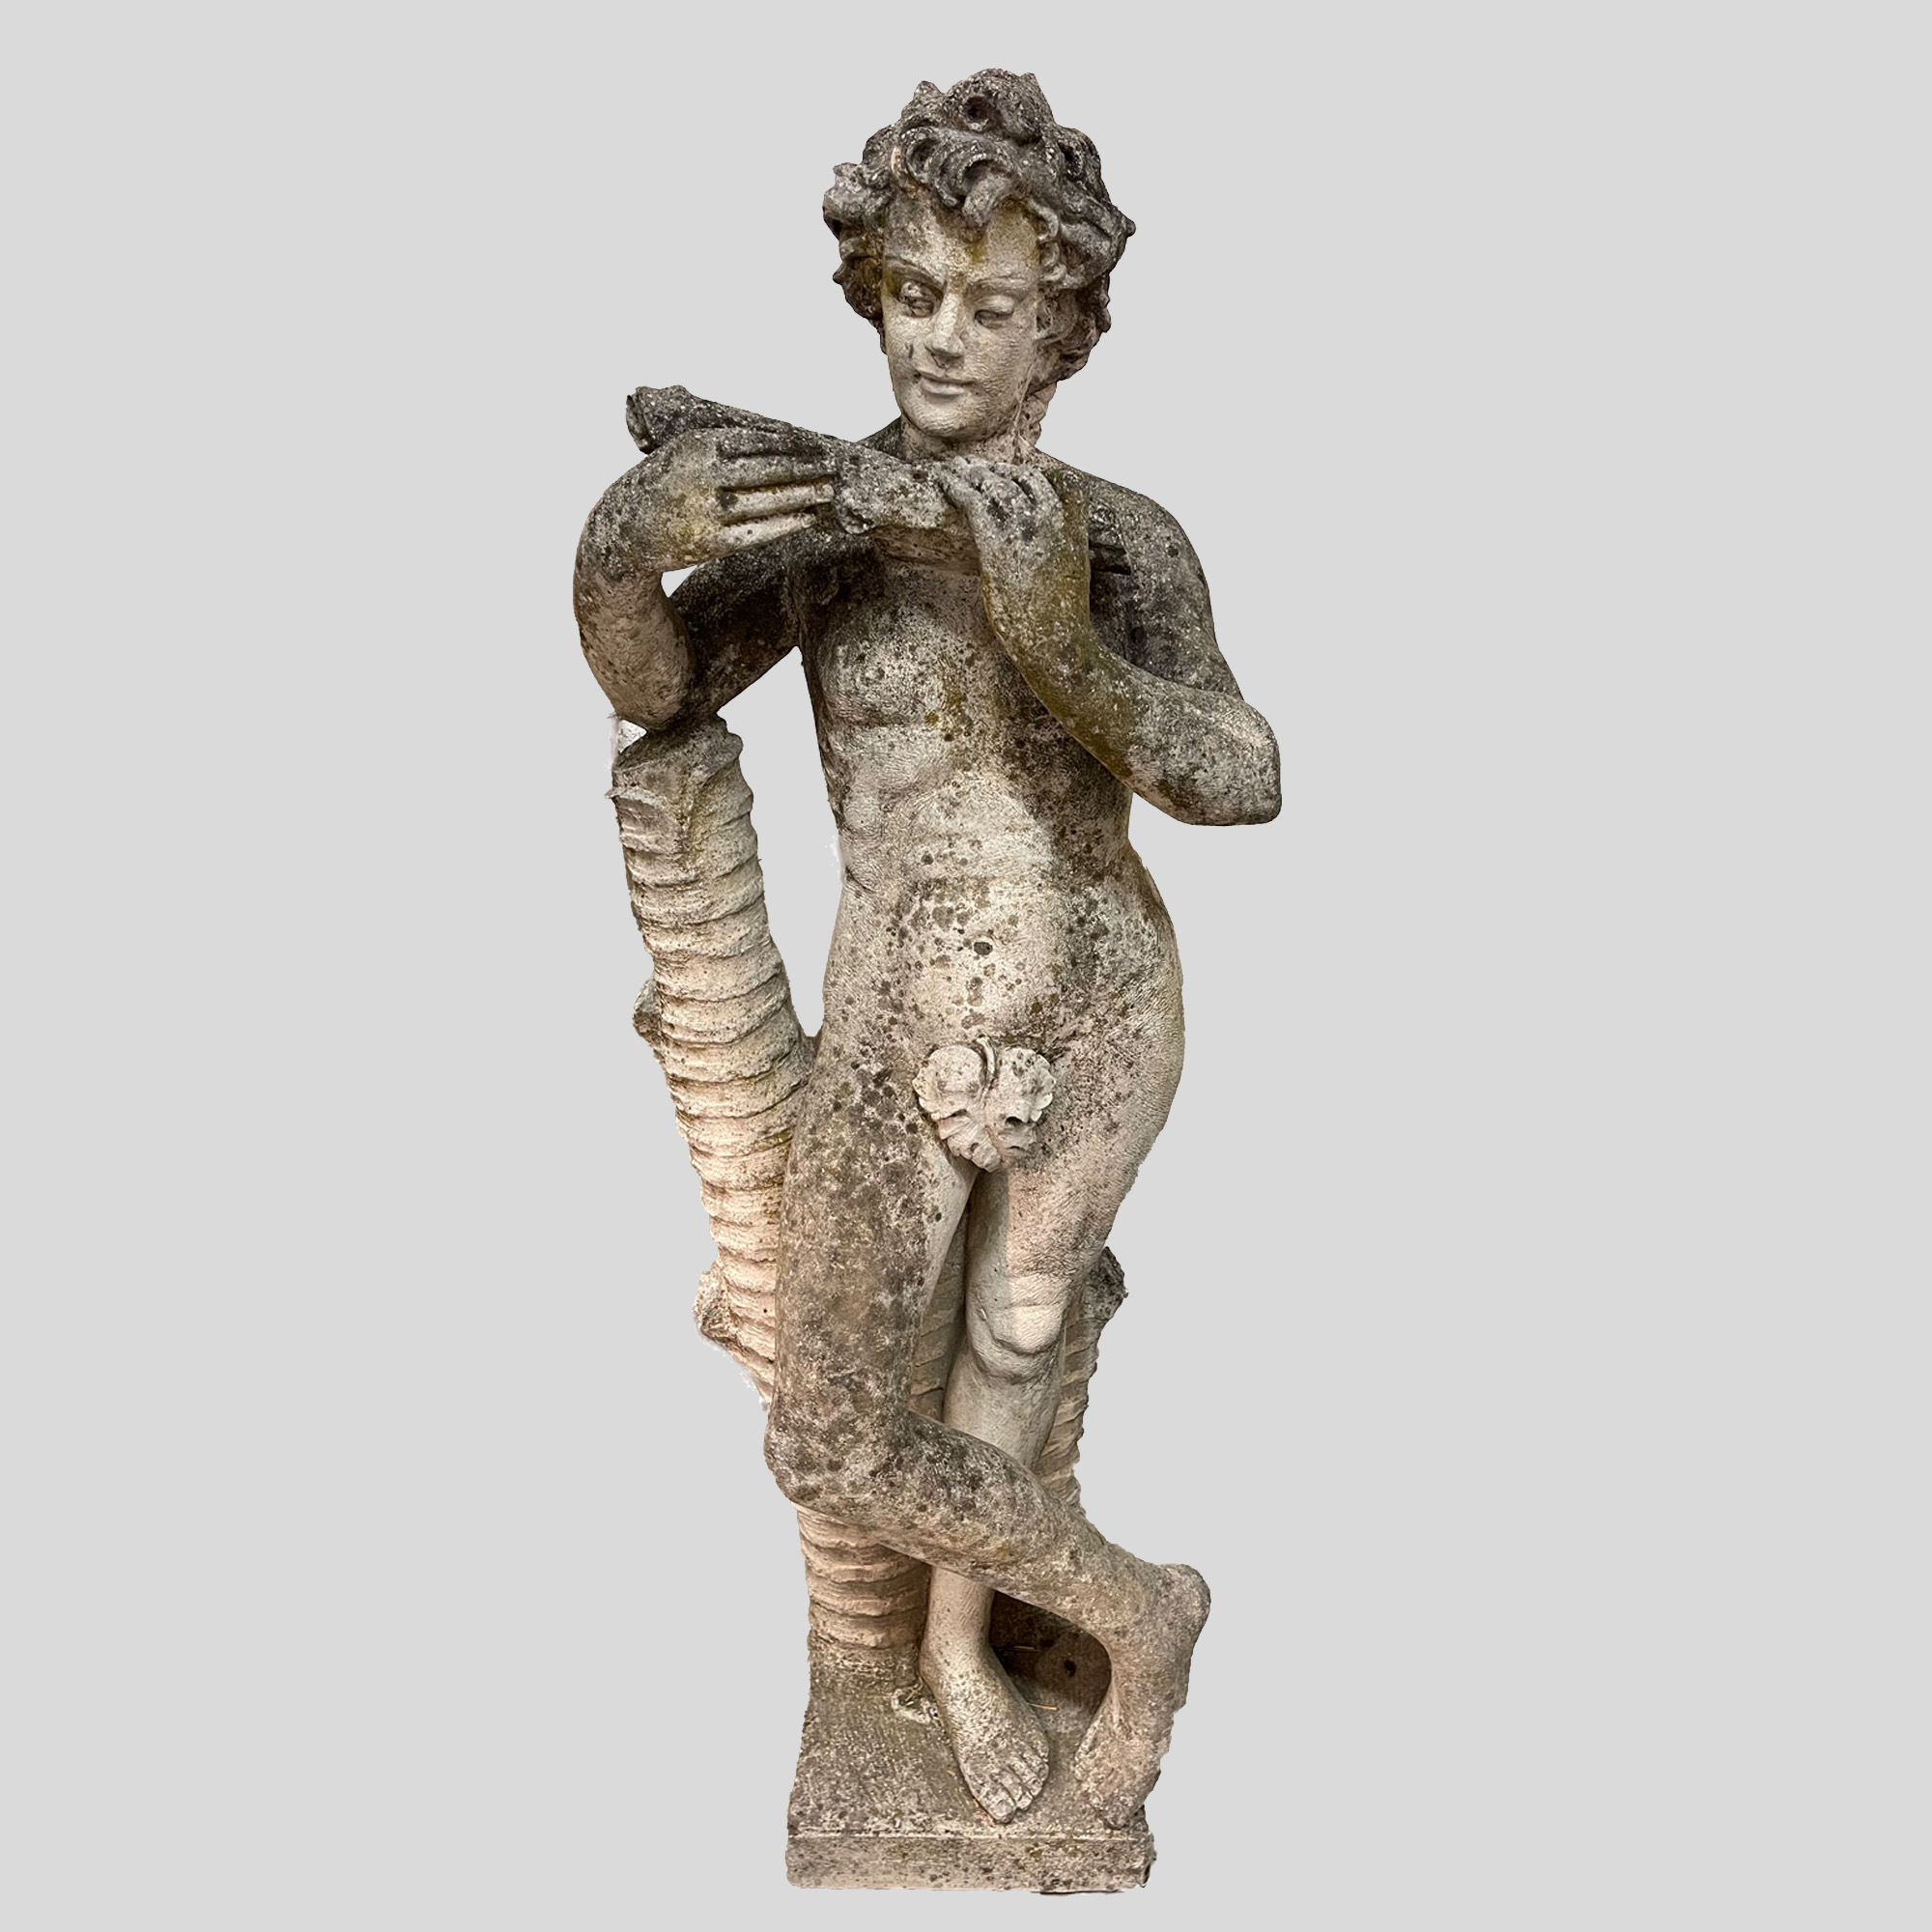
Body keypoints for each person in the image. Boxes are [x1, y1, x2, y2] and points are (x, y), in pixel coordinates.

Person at [573, 70, 1279, 1828]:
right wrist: (614, 561)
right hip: (903, 1003)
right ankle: (1145, 1611)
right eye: (912, 293)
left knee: (1016, 1346)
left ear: (1065, 327)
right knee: (828, 1430)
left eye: (992, 303)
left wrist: (1059, 640)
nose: (943, 337)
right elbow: (662, 693)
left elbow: (1242, 776)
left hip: (1097, 996)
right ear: (868, 293)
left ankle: (965, 1651)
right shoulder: (823, 521)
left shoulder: (1118, 535)